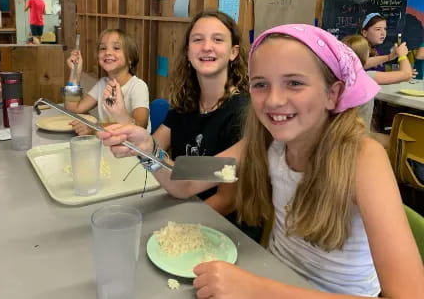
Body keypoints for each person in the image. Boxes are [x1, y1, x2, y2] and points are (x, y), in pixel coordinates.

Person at [98, 24, 424, 297]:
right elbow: (186, 182)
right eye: (261, 85)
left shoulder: (364, 160)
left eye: (294, 82)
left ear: (333, 93)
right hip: (270, 279)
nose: (274, 100)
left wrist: (256, 288)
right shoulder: (265, 145)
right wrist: (149, 151)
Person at [99, 10, 253, 236]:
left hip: (221, 231)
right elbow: (154, 147)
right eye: (198, 39)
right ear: (188, 52)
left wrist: (172, 229)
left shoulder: (242, 114)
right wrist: (122, 115)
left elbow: (225, 200)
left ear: (233, 52)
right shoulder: (186, 103)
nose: (207, 46)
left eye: (217, 39)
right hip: (178, 200)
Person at [65, 28, 150, 134]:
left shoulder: (138, 86)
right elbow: (73, 108)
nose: (108, 52)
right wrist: (75, 73)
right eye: (103, 48)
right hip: (107, 145)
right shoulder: (102, 83)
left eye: (116, 48)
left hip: (131, 148)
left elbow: (140, 126)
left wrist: (94, 128)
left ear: (130, 58)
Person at [342, 34, 417, 130]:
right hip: (358, 138)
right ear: (366, 55)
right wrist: (402, 55)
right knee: (393, 141)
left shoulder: (343, 74)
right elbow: (406, 74)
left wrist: (390, 57)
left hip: (341, 134)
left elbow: (362, 62)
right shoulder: (366, 77)